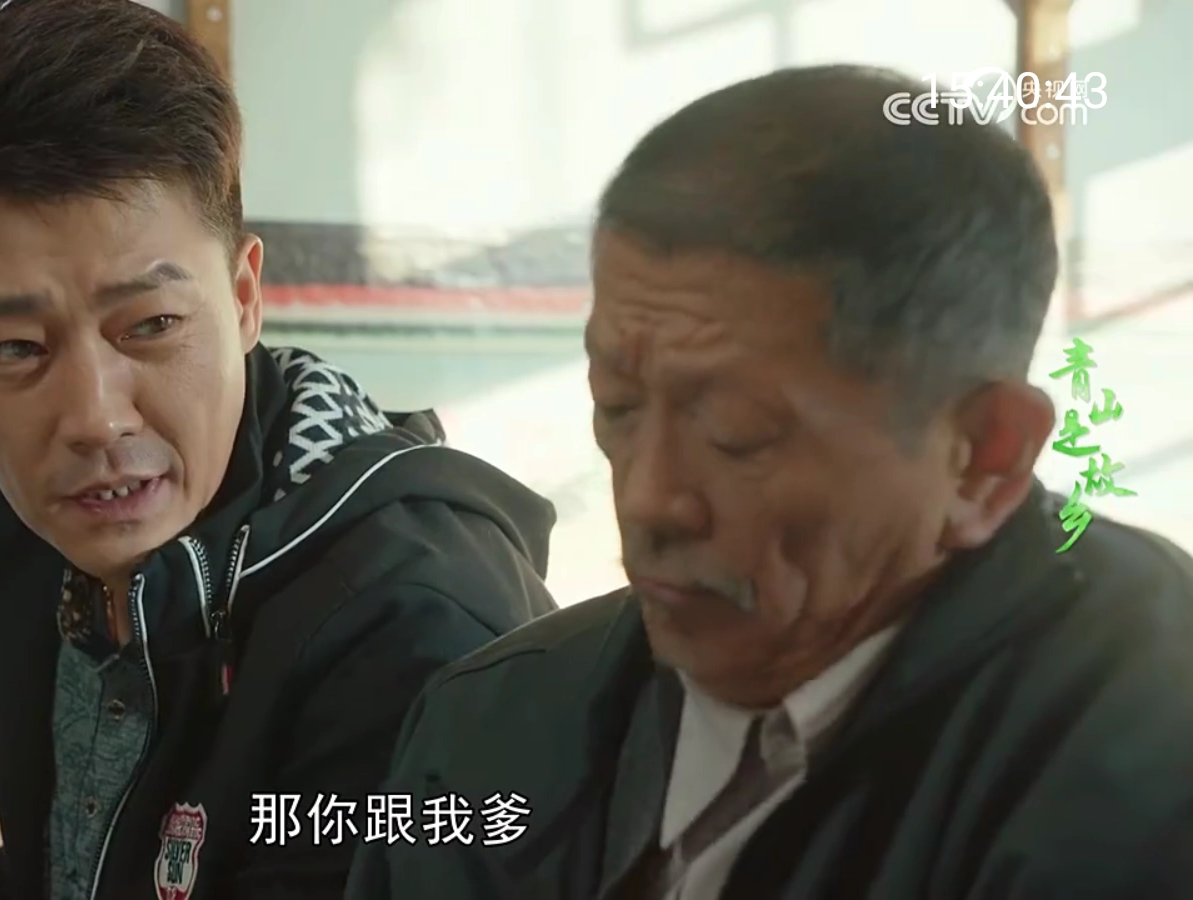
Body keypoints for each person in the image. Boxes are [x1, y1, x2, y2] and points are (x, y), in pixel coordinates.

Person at [347, 65, 1193, 900]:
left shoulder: (1145, 768)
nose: (647, 500)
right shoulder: (489, 728)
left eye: (736, 434)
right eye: (619, 405)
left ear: (982, 458)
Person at [0, 1, 558, 897]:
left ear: (242, 298)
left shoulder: (410, 625)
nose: (96, 418)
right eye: (15, 348)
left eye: (152, 325)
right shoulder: (73, 554)